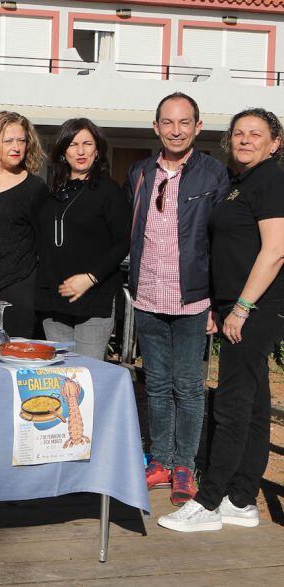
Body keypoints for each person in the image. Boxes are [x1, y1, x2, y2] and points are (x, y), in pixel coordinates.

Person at [159, 108, 284, 533]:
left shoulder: (271, 179)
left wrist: (242, 308)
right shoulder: (241, 182)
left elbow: (275, 250)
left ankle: (208, 502)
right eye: (239, 133)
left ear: (275, 143)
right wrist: (221, 305)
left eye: (256, 134)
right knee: (253, 406)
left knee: (230, 406)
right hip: (237, 304)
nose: (245, 139)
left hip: (256, 307)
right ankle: (242, 499)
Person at [126, 93, 229, 506]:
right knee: (155, 384)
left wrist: (217, 301)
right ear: (156, 127)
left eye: (184, 122)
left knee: (188, 387)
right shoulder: (139, 172)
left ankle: (184, 465)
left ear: (198, 127)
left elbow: (221, 243)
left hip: (193, 299)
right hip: (148, 295)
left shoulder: (214, 174)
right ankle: (161, 461)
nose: (176, 130)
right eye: (167, 122)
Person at [35, 119, 131, 360]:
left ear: (97, 150)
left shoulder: (109, 191)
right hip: (53, 299)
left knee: (86, 373)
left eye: (87, 144)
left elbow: (123, 242)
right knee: (59, 371)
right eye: (73, 144)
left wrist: (90, 278)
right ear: (63, 151)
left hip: (93, 298)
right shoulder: (52, 192)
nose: (80, 151)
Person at [0, 111, 48, 338]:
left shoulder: (35, 188)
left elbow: (44, 244)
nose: (16, 147)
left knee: (11, 353)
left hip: (18, 286)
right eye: (8, 141)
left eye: (21, 141)